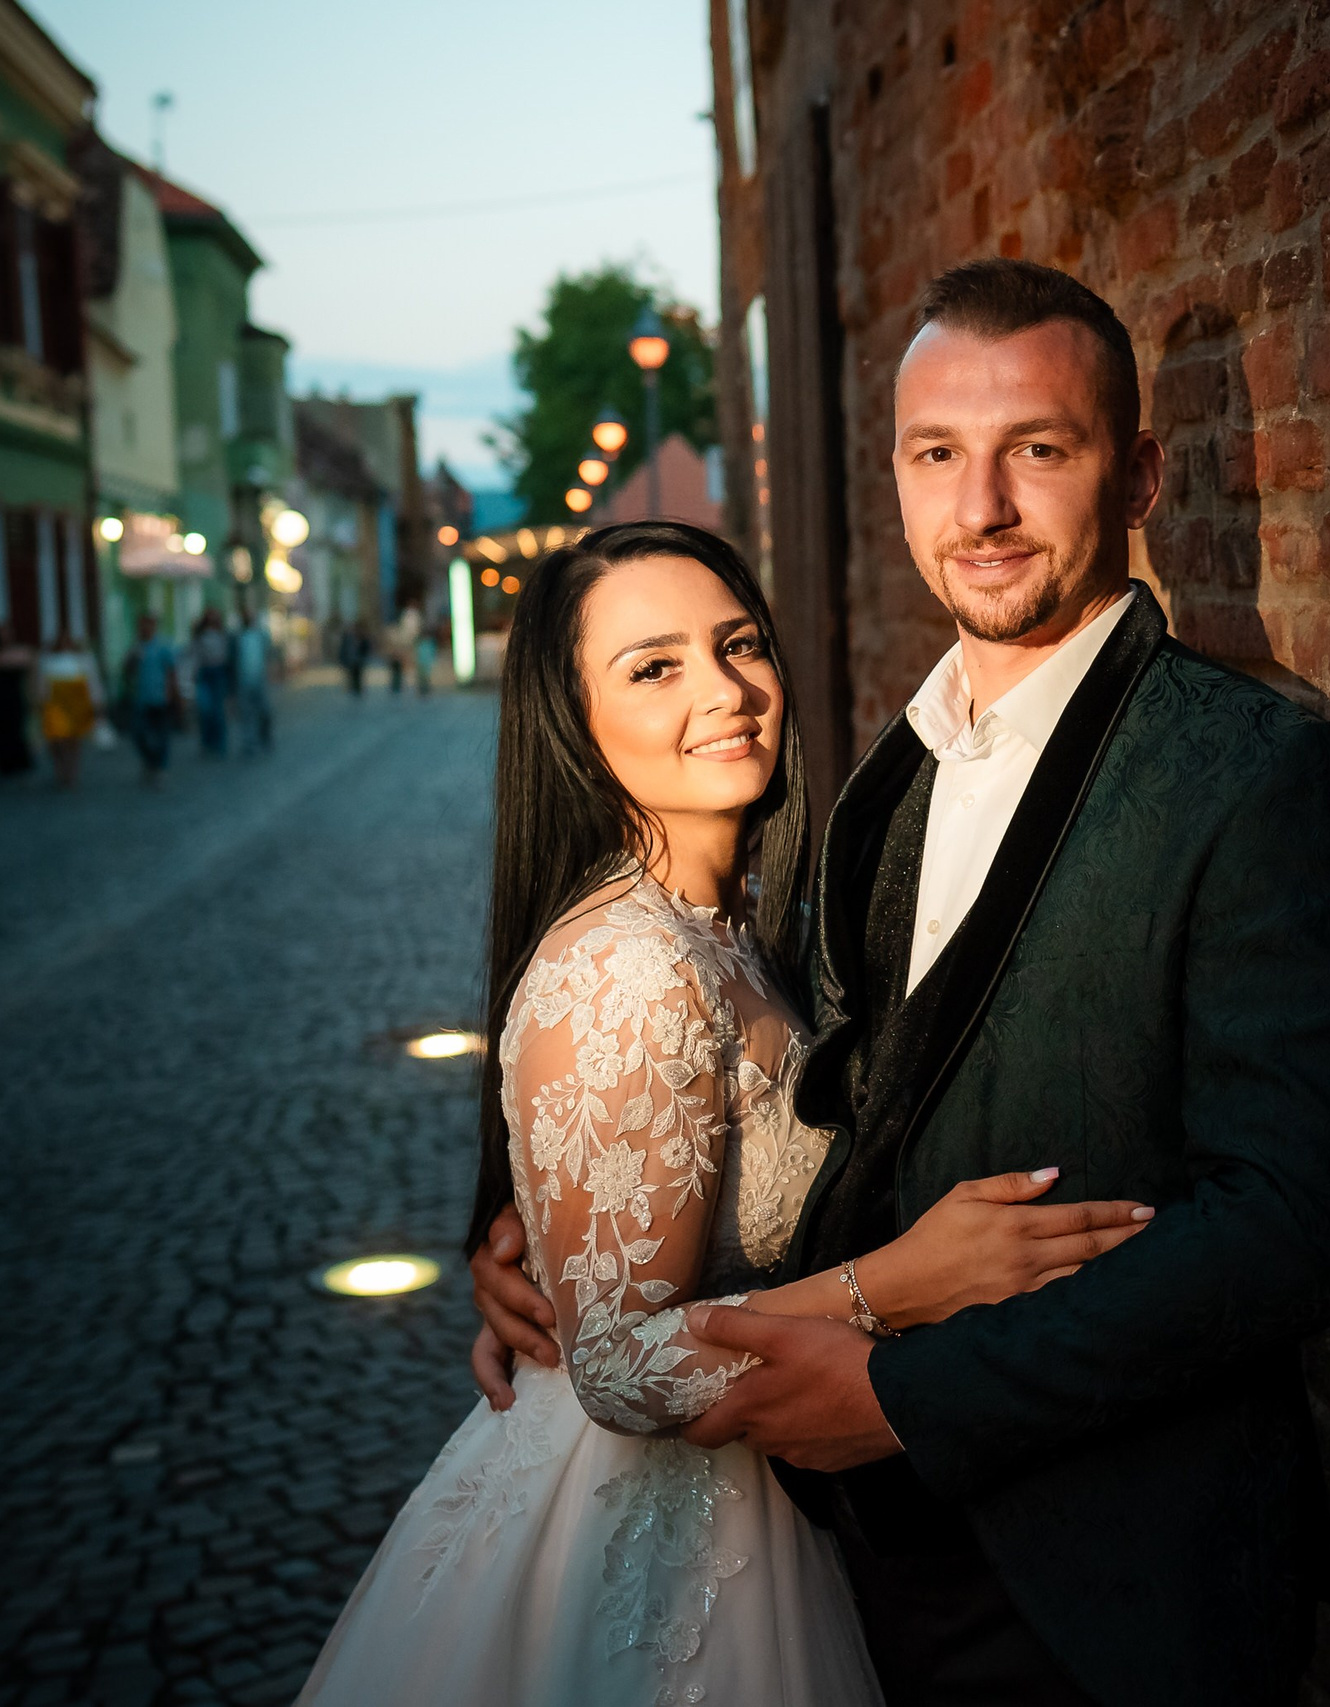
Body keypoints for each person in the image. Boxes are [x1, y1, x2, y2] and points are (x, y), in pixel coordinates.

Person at [470, 260, 1330, 1704]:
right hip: (861, 1560)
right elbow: (815, 1125)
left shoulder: (1257, 773)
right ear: (898, 479)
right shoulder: (878, 791)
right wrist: (562, 1236)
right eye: (937, 456)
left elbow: (1291, 1226)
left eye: (1038, 449)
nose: (982, 509)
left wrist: (901, 1393)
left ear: (1142, 474)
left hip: (1113, 1587)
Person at [297, 521, 1158, 1707]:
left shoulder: (736, 935)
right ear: (573, 723)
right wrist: (902, 1281)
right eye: (653, 667)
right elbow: (615, 1366)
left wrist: (526, 1233)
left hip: (763, 1492)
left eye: (736, 643)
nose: (724, 690)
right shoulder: (625, 966)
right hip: (643, 1530)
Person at [37, 633, 105, 788]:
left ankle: (71, 772)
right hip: (56, 706)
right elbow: (43, 684)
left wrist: (97, 704)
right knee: (57, 740)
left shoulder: (81, 660)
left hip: (76, 707)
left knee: (73, 741)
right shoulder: (49, 660)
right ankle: (62, 769)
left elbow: (91, 683)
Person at [121, 612, 182, 786]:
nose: (144, 629)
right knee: (139, 734)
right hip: (141, 698)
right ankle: (150, 762)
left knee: (161, 735)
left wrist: (173, 694)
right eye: (141, 626)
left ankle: (160, 767)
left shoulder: (162, 646)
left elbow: (171, 671)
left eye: (147, 625)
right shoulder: (136, 647)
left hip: (160, 698)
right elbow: (127, 671)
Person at [0, 621, 38, 779]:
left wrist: (33, 696)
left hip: (15, 697)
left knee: (16, 730)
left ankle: (20, 764)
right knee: (0, 732)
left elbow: (32, 676)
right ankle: (5, 767)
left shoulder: (23, 652)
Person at [190, 608, 233, 756]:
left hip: (217, 672)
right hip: (205, 672)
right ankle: (207, 742)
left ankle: (219, 743)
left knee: (218, 711)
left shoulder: (221, 634)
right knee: (205, 709)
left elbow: (226, 655)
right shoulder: (200, 635)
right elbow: (195, 654)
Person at [234, 614, 274, 754]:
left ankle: (264, 739)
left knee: (264, 712)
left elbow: (267, 654)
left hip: (258, 680)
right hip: (244, 681)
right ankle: (249, 743)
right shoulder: (238, 638)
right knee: (247, 714)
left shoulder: (260, 636)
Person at [336, 620, 370, 696]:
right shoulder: (348, 638)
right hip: (351, 660)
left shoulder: (362, 637)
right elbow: (343, 649)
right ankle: (352, 688)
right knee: (351, 675)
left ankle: (357, 688)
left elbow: (366, 648)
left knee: (358, 675)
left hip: (359, 660)